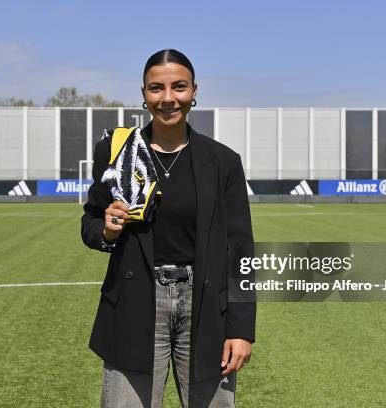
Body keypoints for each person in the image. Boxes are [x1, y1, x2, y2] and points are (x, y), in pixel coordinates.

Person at [81, 49, 255, 408]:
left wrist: (240, 329)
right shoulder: (116, 151)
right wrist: (108, 230)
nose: (168, 98)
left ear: (194, 92)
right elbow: (91, 222)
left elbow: (240, 251)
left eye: (179, 87)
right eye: (156, 89)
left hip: (205, 307)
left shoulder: (223, 161)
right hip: (134, 302)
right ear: (144, 94)